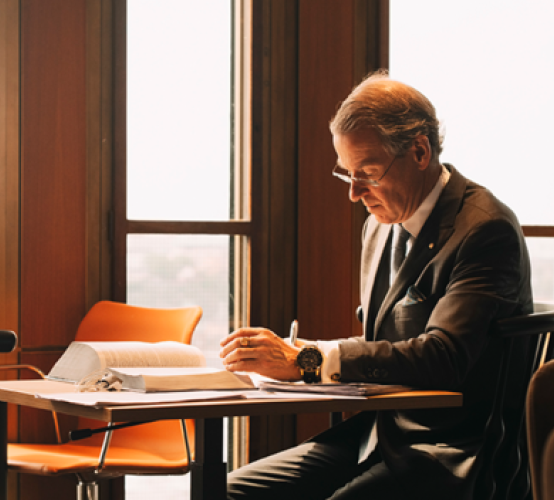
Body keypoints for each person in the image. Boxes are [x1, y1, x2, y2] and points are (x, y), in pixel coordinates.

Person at [219, 70, 533, 500]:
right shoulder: (379, 228)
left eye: (367, 171)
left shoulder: (484, 229)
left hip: (448, 454)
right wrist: (298, 353)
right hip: (374, 437)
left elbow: (443, 357)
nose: (354, 193)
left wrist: (309, 360)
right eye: (346, 173)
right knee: (226, 490)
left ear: (420, 151)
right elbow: (385, 342)